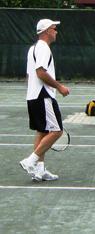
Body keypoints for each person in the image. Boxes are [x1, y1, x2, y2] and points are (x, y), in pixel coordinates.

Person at [20, 19, 70, 181]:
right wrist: (59, 87)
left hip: (34, 96)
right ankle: (31, 160)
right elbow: (40, 73)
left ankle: (39, 171)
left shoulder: (32, 49)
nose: (56, 31)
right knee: (57, 131)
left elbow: (29, 76)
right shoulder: (43, 49)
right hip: (44, 96)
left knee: (42, 131)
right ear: (47, 31)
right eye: (54, 29)